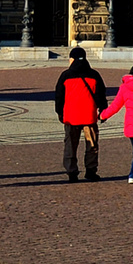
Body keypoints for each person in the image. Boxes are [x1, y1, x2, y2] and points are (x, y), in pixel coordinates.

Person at [53, 47, 107, 182]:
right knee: (92, 145)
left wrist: (59, 112)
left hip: (71, 117)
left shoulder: (65, 75)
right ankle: (91, 170)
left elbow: (59, 96)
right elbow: (101, 95)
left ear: (72, 59)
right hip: (89, 115)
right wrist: (103, 110)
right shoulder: (94, 74)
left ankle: (72, 171)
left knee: (70, 145)